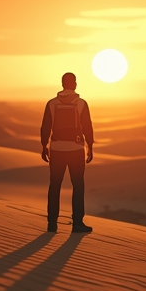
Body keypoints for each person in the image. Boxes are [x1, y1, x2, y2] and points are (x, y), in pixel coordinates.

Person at [40, 72, 94, 233]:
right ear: (75, 84)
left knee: (55, 185)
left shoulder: (51, 104)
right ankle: (77, 222)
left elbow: (45, 127)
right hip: (76, 149)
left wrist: (44, 146)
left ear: (62, 84)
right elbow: (87, 126)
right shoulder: (81, 104)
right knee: (77, 185)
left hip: (56, 149)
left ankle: (52, 224)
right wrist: (90, 146)